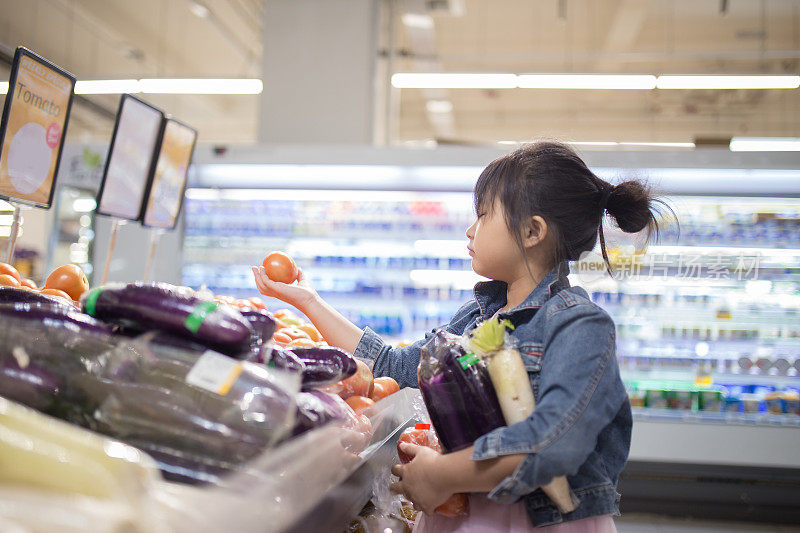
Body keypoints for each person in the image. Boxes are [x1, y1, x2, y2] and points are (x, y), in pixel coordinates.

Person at [252, 141, 666, 531]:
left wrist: (443, 473)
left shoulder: (579, 326)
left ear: (532, 232)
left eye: (483, 215)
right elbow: (395, 368)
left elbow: (554, 441)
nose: (470, 230)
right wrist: (308, 301)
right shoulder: (475, 318)